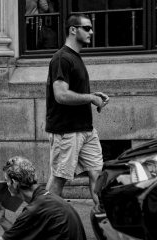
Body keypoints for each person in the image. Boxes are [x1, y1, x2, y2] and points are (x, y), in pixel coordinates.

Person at [45, 14, 109, 213]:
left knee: (97, 175)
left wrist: (92, 95)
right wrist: (90, 98)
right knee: (60, 178)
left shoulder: (75, 57)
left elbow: (72, 92)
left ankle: (103, 219)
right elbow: (61, 95)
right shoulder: (62, 58)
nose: (91, 31)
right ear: (73, 30)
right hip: (67, 130)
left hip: (86, 129)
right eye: (87, 28)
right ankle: (40, 219)